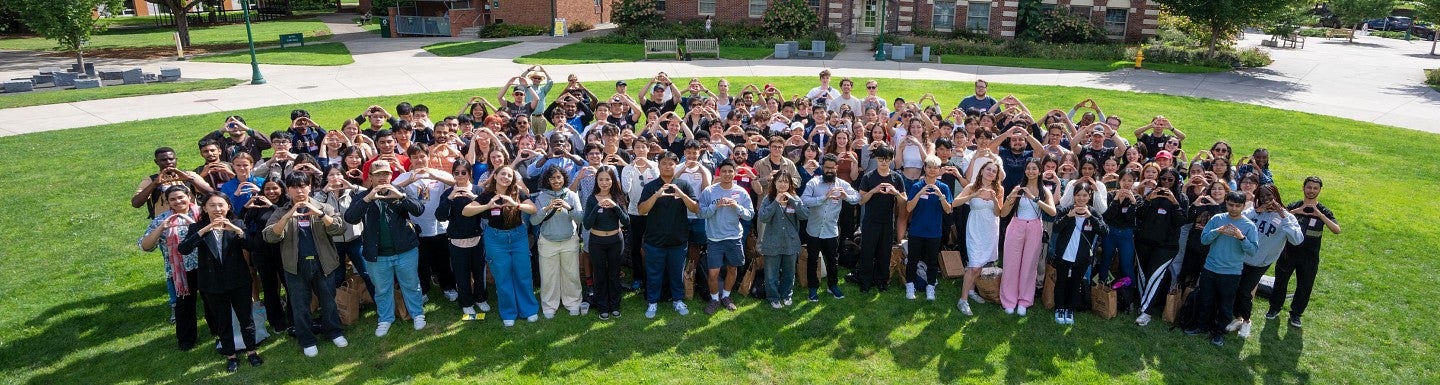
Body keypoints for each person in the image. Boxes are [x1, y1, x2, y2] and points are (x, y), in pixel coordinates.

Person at [263, 173, 348, 358]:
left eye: (303, 186)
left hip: (323, 262)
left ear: (310, 187)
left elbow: (339, 228)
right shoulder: (281, 211)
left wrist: (319, 214)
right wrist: (287, 216)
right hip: (295, 265)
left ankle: (334, 331)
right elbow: (270, 236)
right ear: (288, 190)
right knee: (300, 305)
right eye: (294, 187)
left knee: (328, 300)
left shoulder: (323, 207)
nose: (299, 190)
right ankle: (307, 340)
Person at [177, 192, 264, 372]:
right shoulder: (197, 227)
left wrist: (238, 232)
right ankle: (231, 356)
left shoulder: (237, 223)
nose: (217, 209)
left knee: (245, 319)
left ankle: (252, 352)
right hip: (212, 284)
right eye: (212, 205)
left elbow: (253, 247)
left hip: (239, 281)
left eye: (221, 205)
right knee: (222, 321)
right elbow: (184, 249)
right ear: (205, 208)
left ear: (228, 207)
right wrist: (204, 230)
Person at [342, 160, 427, 336]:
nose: (382, 177)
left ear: (391, 176)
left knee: (411, 284)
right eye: (378, 174)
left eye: (386, 174)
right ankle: (386, 318)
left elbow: (419, 209)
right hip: (377, 254)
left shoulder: (399, 191)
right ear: (370, 177)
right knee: (382, 289)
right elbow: (350, 218)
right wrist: (367, 199)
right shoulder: (361, 197)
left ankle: (417, 314)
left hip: (405, 250)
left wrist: (400, 197)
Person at [464, 166, 540, 326]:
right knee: (502, 276)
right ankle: (508, 312)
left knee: (523, 273)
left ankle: (528, 309)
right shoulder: (486, 195)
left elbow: (533, 209)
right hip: (496, 239)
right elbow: (466, 211)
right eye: (503, 174)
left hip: (518, 237)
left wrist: (516, 205)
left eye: (509, 175)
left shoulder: (517, 192)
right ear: (495, 176)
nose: (506, 177)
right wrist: (487, 206)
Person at [1226, 184, 1303, 338]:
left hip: (1260, 262)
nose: (1267, 199)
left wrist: (1283, 215)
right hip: (1242, 257)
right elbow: (1237, 221)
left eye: (1270, 196)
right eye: (1263, 196)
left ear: (1276, 195)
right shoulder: (1255, 211)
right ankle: (1237, 318)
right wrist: (1256, 211)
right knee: (1235, 288)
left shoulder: (1287, 217)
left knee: (1245, 291)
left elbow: (1297, 240)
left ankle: (1247, 321)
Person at [138, 186, 207, 350]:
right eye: (173, 199)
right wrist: (161, 228)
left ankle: (217, 332)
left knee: (212, 301)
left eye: (181, 197)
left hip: (206, 266)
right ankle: (186, 340)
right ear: (167, 202)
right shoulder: (162, 219)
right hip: (181, 271)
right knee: (184, 306)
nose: (178, 201)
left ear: (189, 196)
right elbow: (145, 246)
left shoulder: (204, 213)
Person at [1268, 176, 1341, 328]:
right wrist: (1297, 211)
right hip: (1288, 252)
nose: (1311, 191)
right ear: (1303, 188)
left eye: (1315, 188)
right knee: (1280, 281)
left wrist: (1319, 215)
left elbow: (1336, 230)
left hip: (1310, 256)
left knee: (1305, 285)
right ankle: (1274, 308)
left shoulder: (1324, 210)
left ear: (1320, 190)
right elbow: (1279, 219)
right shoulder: (1295, 205)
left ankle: (1296, 314)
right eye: (1309, 187)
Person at [1190, 191, 1259, 347]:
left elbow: (1253, 250)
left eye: (1237, 206)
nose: (1233, 209)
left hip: (1231, 272)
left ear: (1243, 206)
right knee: (1205, 299)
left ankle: (1219, 333)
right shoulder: (1217, 219)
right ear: (1226, 203)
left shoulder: (1249, 226)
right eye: (1230, 205)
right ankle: (1202, 327)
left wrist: (1241, 237)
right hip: (1210, 268)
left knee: (1225, 305)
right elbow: (1204, 240)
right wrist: (1218, 231)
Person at [638, 152, 700, 319]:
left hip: (678, 239)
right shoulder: (651, 187)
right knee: (654, 273)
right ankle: (652, 302)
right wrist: (657, 195)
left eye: (671, 163)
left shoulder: (683, 184)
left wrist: (682, 194)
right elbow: (642, 210)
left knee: (676, 273)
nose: (667, 166)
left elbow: (695, 208)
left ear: (676, 165)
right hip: (654, 240)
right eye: (664, 163)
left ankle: (678, 300)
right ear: (658, 166)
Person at [394, 146, 458, 301]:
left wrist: (435, 176)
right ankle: (423, 290)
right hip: (417, 227)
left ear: (428, 157)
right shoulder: (405, 176)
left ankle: (448, 287)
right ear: (410, 159)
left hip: (440, 226)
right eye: (415, 157)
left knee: (443, 260)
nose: (419, 160)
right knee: (421, 262)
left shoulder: (439, 173)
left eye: (422, 156)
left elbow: (456, 183)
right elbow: (392, 189)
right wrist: (410, 180)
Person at [997, 159, 1056, 315]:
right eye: (1028, 168)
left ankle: (1024, 300)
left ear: (1040, 171)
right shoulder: (1018, 188)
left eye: (1034, 168)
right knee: (1011, 263)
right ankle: (1009, 300)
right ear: (1025, 171)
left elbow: (1052, 212)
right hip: (1017, 225)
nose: (1031, 171)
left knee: (1029, 265)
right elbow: (1003, 213)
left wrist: (1035, 199)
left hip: (1035, 227)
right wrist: (1011, 198)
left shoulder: (1045, 190)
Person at [800, 154, 860, 301]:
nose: (829, 171)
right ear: (822, 167)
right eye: (826, 168)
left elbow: (857, 197)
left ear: (836, 168)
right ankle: (813, 287)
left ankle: (832, 286)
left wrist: (846, 196)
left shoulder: (842, 184)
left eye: (832, 168)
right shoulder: (813, 183)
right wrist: (823, 198)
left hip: (831, 231)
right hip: (813, 230)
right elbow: (804, 200)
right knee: (813, 259)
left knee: (833, 260)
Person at [698, 160, 755, 314]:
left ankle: (726, 296)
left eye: (730, 171)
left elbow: (750, 215)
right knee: (713, 273)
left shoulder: (741, 193)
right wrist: (715, 206)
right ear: (719, 173)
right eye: (724, 171)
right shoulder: (709, 192)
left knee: (732, 268)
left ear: (735, 173)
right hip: (714, 238)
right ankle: (714, 299)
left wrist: (736, 206)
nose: (727, 174)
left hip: (734, 237)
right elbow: (701, 213)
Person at [435, 160, 489, 320]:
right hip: (456, 239)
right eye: (456, 173)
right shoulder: (447, 193)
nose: (460, 176)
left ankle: (480, 297)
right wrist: (450, 198)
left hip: (477, 238)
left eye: (463, 172)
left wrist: (475, 198)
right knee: (461, 273)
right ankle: (466, 303)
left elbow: (486, 215)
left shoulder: (479, 190)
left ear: (470, 174)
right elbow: (440, 216)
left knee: (479, 271)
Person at [1049, 182, 1109, 325]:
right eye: (1078, 195)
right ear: (1074, 196)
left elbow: (1104, 231)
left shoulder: (1093, 213)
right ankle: (1059, 308)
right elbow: (1056, 228)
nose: (1081, 198)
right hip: (1064, 254)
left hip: (1082, 256)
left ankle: (1070, 309)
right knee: (1061, 282)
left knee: (1076, 284)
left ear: (1089, 196)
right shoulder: (1067, 210)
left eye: (1084, 195)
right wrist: (1068, 217)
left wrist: (1091, 218)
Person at [532, 166, 586, 318]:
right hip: (548, 241)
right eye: (552, 178)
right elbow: (534, 221)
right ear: (547, 180)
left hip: (569, 240)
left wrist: (569, 208)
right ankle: (549, 305)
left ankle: (573, 302)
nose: (556, 181)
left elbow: (580, 219)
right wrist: (546, 208)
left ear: (564, 178)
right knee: (549, 276)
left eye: (559, 177)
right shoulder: (542, 196)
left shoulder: (572, 195)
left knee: (571, 274)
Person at [953, 162, 1004, 316]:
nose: (990, 172)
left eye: (994, 171)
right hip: (975, 228)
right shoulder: (971, 187)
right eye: (988, 169)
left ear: (996, 175)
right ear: (981, 171)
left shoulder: (999, 189)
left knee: (981, 263)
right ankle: (963, 300)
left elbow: (998, 212)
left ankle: (971, 290)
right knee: (974, 266)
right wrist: (973, 195)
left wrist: (995, 200)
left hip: (990, 230)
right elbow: (955, 203)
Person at [904, 156, 955, 301]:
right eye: (930, 167)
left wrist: (940, 196)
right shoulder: (916, 186)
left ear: (939, 170)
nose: (932, 171)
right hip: (916, 231)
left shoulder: (943, 187)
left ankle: (930, 287)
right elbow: (908, 207)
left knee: (932, 262)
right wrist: (920, 194)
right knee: (913, 260)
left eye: (935, 168)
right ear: (925, 168)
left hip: (934, 232)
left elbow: (948, 210)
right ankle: (910, 285)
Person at [856, 145, 906, 293]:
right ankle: (865, 282)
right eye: (880, 159)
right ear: (876, 159)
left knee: (884, 253)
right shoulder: (869, 177)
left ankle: (882, 281)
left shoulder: (896, 177)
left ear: (891, 160)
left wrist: (895, 192)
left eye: (886, 159)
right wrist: (874, 190)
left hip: (887, 221)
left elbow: (904, 201)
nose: (883, 162)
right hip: (870, 221)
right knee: (867, 252)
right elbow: (861, 200)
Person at [583, 167, 630, 320]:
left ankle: (615, 305)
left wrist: (615, 206)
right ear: (597, 181)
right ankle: (603, 306)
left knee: (614, 273)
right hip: (597, 241)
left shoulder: (618, 196)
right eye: (601, 179)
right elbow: (587, 224)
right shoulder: (591, 199)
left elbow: (626, 221)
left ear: (613, 181)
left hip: (615, 240)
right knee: (600, 274)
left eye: (607, 179)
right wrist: (598, 206)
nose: (604, 183)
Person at [758, 171, 808, 308]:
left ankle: (786, 294)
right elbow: (763, 217)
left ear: (790, 184)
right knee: (771, 274)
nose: (782, 184)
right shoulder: (768, 199)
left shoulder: (795, 198)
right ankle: (773, 297)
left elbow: (804, 215)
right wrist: (776, 202)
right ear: (774, 182)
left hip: (790, 242)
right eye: (780, 181)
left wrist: (791, 200)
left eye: (786, 182)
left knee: (789, 272)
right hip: (772, 242)